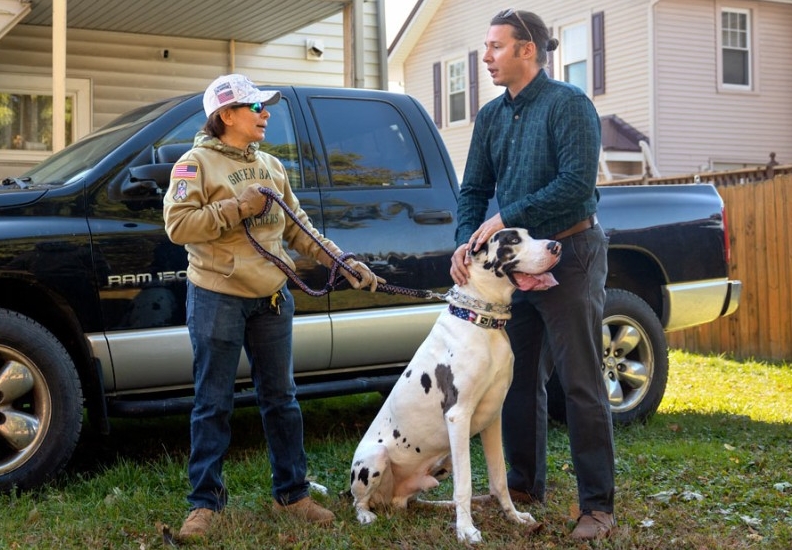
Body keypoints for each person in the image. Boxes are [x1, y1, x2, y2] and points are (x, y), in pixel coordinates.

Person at [163, 73, 384, 542]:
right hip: (217, 296)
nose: (266, 114)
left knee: (282, 400)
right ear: (225, 115)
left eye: (265, 107)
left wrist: (341, 261)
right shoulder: (193, 164)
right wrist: (235, 209)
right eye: (255, 107)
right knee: (212, 404)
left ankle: (292, 493)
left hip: (272, 298)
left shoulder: (272, 166)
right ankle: (204, 504)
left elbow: (297, 228)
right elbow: (178, 226)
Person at [449, 10, 616, 541]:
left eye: (496, 46)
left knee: (581, 383)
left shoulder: (569, 105)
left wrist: (506, 217)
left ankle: (598, 506)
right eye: (486, 46)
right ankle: (522, 485)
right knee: (516, 380)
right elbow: (473, 189)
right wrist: (468, 239)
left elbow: (574, 185)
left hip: (571, 254)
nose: (487, 57)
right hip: (514, 269)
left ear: (528, 50)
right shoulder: (491, 117)